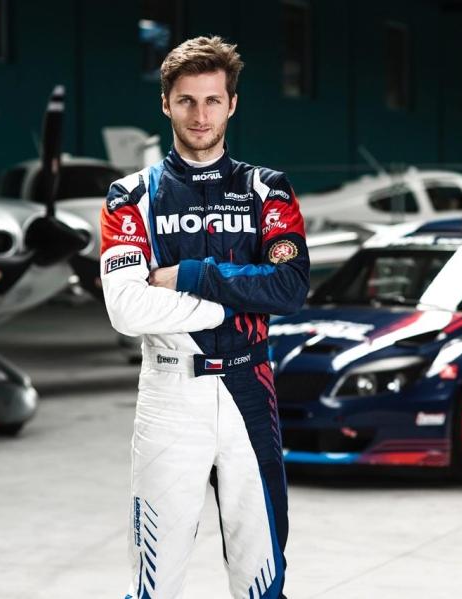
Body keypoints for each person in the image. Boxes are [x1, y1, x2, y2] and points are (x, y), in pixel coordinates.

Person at [99, 36, 308, 599]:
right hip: (170, 392)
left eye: (213, 100)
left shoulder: (268, 188)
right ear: (165, 104)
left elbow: (289, 288)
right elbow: (127, 307)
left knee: (262, 576)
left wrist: (190, 275)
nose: (200, 115)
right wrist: (232, 300)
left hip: (250, 387)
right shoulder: (130, 195)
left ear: (232, 104)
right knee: (155, 582)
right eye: (186, 100)